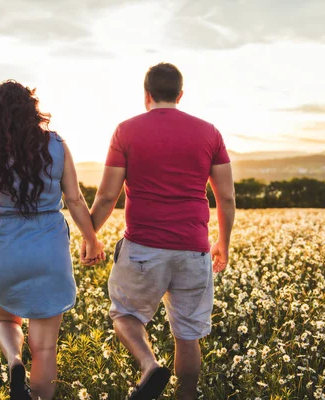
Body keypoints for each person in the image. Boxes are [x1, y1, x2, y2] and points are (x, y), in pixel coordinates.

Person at [83, 62, 236, 400]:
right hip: (194, 249)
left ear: (146, 94)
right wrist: (223, 242)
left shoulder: (126, 130)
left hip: (143, 249)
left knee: (125, 315)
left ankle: (149, 365)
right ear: (180, 94)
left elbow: (108, 196)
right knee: (187, 334)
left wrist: (89, 236)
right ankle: (187, 395)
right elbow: (225, 196)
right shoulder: (209, 132)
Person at [0, 80, 105, 400]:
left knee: (5, 319)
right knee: (45, 348)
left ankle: (14, 361)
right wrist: (91, 239)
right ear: (32, 108)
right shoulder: (56, 144)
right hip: (49, 249)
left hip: (3, 247)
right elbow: (76, 200)